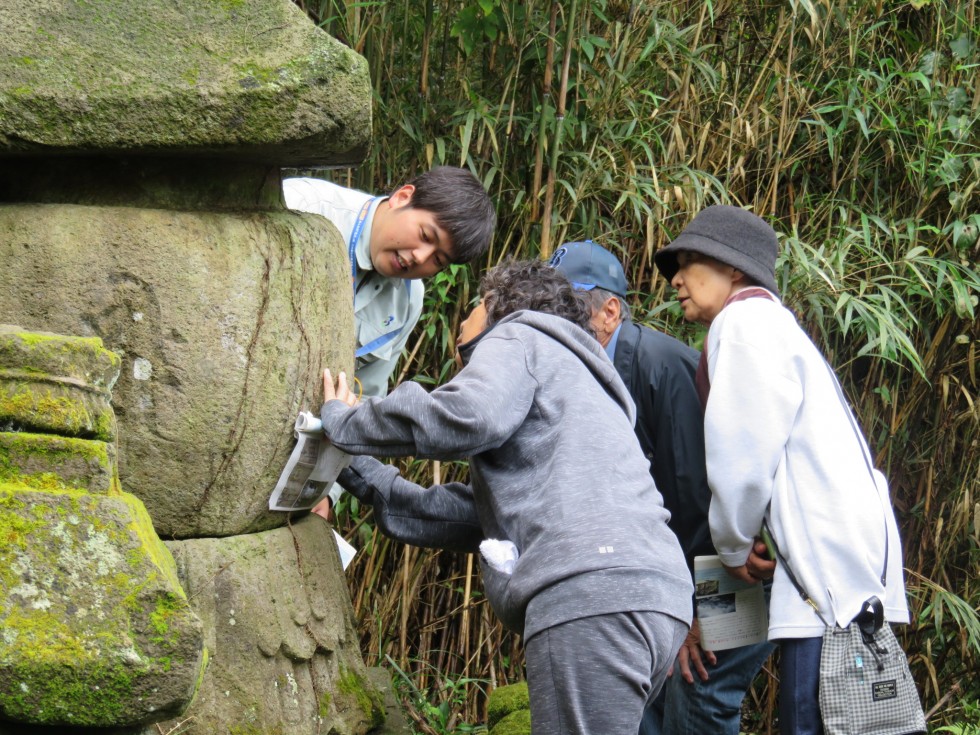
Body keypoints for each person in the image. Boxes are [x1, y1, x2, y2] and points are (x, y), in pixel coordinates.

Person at [320, 260, 694, 735]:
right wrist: (347, 463)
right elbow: (458, 515)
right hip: (657, 597)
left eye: (474, 305)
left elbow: (471, 415)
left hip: (591, 593)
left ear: (497, 308)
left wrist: (346, 420)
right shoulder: (582, 384)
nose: (463, 320)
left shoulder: (518, 335)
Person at [653, 205, 910, 735]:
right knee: (719, 682)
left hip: (800, 567)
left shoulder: (745, 322)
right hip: (794, 560)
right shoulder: (768, 325)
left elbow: (743, 463)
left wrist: (730, 547)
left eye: (690, 261)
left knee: (794, 706)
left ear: (735, 268)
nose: (675, 278)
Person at [549, 240, 775, 735]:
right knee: (650, 696)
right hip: (680, 573)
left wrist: (698, 613)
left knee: (702, 691)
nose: (548, 324)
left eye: (562, 309)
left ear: (609, 311)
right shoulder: (590, 373)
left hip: (736, 562)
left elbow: (702, 497)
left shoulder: (659, 366)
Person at [282, 167, 495, 513]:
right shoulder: (304, 208)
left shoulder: (409, 299)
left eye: (438, 260)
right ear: (402, 197)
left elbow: (362, 398)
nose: (419, 258)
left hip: (290, 468)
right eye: (426, 235)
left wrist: (325, 491)